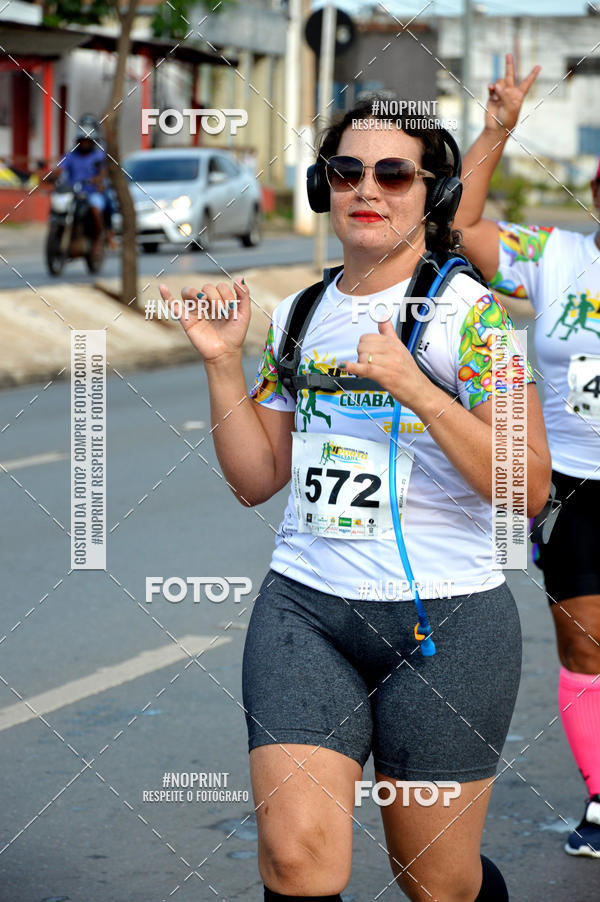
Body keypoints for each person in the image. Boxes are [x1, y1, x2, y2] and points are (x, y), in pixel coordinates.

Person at [159, 96, 551, 901]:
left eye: (394, 173)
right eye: (345, 171)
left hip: (447, 621)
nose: (366, 188)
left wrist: (419, 390)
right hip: (307, 611)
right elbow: (255, 480)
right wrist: (221, 365)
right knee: (296, 859)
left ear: (435, 193)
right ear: (323, 186)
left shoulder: (470, 317)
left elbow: (529, 486)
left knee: (435, 881)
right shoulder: (301, 314)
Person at [454, 53, 600, 858]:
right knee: (585, 644)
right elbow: (461, 226)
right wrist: (496, 130)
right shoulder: (557, 256)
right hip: (575, 485)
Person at [54, 115, 115, 256]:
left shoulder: (98, 156)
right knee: (57, 209)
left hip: (91, 192)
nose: (84, 144)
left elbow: (104, 172)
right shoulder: (70, 156)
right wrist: (50, 175)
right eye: (82, 141)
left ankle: (98, 241)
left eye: (87, 141)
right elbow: (60, 169)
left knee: (96, 209)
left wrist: (97, 180)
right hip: (72, 193)